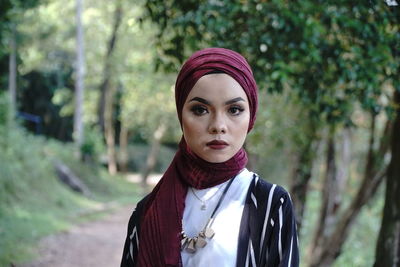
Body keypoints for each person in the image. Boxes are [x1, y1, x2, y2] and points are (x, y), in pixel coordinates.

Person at [121, 48, 299, 267]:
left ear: (250, 116)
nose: (218, 126)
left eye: (234, 109)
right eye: (200, 110)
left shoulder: (271, 203)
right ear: (181, 115)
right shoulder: (147, 212)